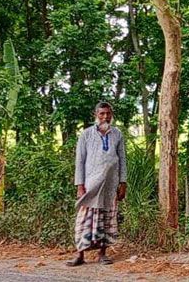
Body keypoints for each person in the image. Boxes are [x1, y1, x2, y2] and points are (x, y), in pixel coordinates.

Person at [68, 101, 127, 266]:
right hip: (91, 185)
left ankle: (102, 254)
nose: (105, 117)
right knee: (83, 219)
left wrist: (123, 183)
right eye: (102, 114)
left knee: (107, 219)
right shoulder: (86, 134)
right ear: (96, 115)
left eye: (108, 113)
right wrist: (80, 185)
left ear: (112, 114)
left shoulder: (117, 134)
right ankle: (80, 255)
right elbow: (80, 161)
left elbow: (122, 159)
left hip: (110, 185)